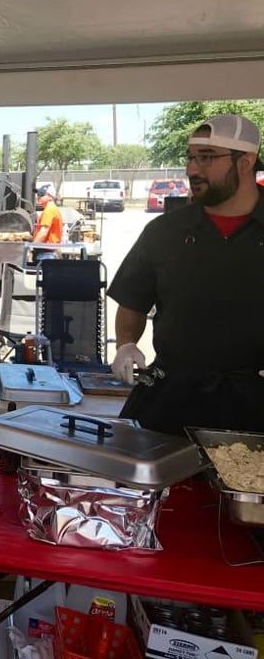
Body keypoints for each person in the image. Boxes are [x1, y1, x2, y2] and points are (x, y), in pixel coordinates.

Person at [109, 114, 264, 434]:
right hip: (170, 397)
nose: (193, 169)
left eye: (206, 158)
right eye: (191, 158)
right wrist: (125, 344)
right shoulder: (164, 231)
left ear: (246, 162)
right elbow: (133, 301)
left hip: (254, 400)